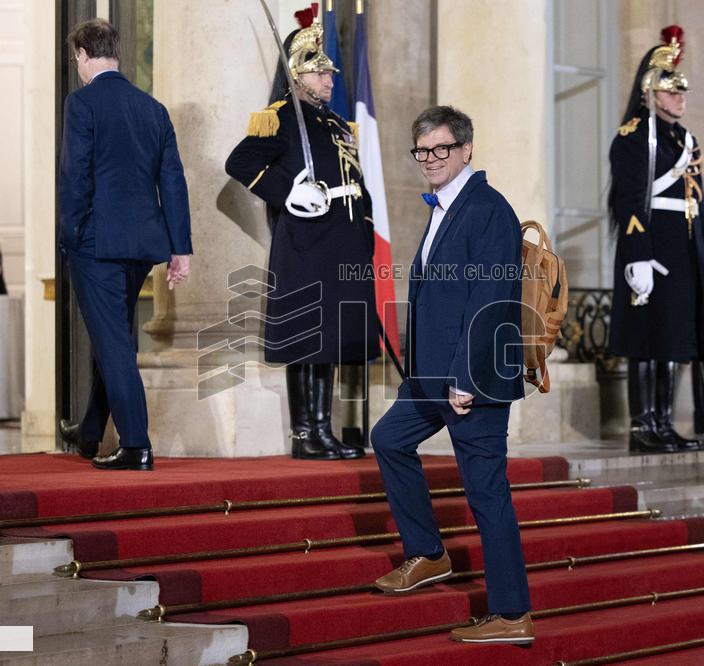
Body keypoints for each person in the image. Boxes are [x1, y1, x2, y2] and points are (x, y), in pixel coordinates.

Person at [371, 106, 533, 645]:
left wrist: (464, 376)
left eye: (441, 149)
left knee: (486, 494)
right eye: (422, 151)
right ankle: (429, 553)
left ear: (466, 150)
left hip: (474, 380)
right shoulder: (447, 205)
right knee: (388, 438)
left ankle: (511, 613)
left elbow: (492, 299)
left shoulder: (487, 209)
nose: (430, 160)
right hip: (432, 376)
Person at [225, 11, 378, 461]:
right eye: (320, 71)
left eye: (330, 72)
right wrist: (286, 191)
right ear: (297, 73)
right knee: (308, 338)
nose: (330, 78)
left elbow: (357, 182)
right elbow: (240, 163)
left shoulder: (335, 125)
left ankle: (323, 429)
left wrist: (365, 232)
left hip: (342, 243)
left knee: (330, 340)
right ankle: (304, 433)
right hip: (308, 244)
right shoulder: (281, 118)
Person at [57, 18, 191, 471]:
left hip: (96, 244)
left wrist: (68, 236)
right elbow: (173, 182)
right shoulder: (152, 108)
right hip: (141, 246)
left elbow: (75, 178)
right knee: (111, 337)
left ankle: (136, 444)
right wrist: (180, 248)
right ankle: (90, 433)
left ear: (82, 54)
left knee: (113, 344)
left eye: (76, 57)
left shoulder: (82, 103)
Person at [607, 25, 704, 454]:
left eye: (682, 91)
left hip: (682, 249)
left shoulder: (684, 140)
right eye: (671, 91)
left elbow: (697, 202)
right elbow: (630, 201)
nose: (680, 98)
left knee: (673, 340)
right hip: (650, 248)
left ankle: (665, 422)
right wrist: (638, 256)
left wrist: (701, 254)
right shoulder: (633, 138)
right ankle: (642, 425)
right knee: (646, 340)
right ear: (651, 91)